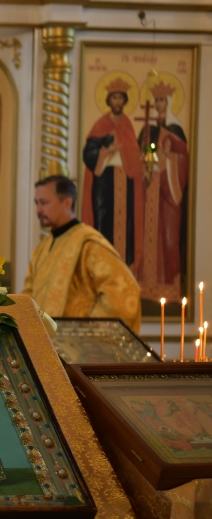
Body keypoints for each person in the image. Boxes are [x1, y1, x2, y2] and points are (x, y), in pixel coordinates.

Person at [22, 175, 141, 332]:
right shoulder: (40, 250)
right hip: (42, 348)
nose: (38, 210)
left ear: (67, 202)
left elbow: (124, 294)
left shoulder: (89, 244)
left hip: (76, 351)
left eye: (44, 203)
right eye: (36, 203)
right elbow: (27, 299)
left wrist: (87, 335)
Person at [81, 77, 145, 276]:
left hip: (125, 180)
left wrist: (128, 153)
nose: (117, 102)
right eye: (114, 98)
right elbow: (88, 153)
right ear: (109, 101)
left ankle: (124, 268)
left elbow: (133, 154)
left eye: (120, 98)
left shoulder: (127, 125)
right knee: (103, 219)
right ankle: (102, 268)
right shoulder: (101, 125)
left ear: (124, 101)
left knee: (126, 224)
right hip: (105, 180)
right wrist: (107, 150)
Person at [136, 80, 189, 302]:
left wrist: (166, 162)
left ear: (168, 102)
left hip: (168, 194)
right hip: (150, 192)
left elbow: (181, 159)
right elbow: (142, 155)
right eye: (155, 100)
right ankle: (146, 284)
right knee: (148, 235)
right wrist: (147, 167)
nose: (157, 104)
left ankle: (169, 286)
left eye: (161, 100)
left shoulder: (175, 130)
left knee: (168, 237)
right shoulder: (148, 128)